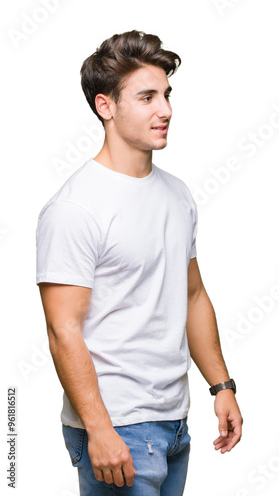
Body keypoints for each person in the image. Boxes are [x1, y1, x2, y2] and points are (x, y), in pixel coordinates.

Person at [36, 30, 243, 496]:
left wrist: (221, 385)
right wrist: (99, 430)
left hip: (174, 422)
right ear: (105, 106)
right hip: (118, 428)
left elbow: (191, 294)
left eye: (166, 95)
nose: (165, 110)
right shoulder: (75, 207)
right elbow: (61, 330)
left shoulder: (178, 195)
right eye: (147, 97)